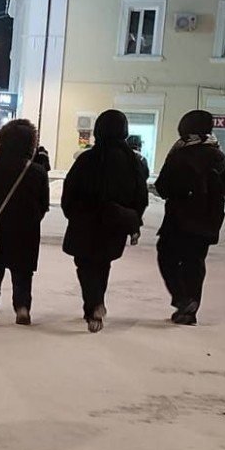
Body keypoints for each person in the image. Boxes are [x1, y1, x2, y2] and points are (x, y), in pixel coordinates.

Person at [61, 110, 149, 333]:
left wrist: (73, 213)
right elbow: (141, 196)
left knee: (86, 264)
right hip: (116, 223)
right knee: (102, 263)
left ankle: (94, 306)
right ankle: (94, 305)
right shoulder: (133, 162)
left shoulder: (88, 159)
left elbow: (69, 191)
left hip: (86, 221)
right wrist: (132, 219)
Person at [155, 110, 225, 326]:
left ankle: (182, 299)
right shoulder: (219, 157)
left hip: (178, 219)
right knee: (195, 262)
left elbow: (162, 187)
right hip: (207, 221)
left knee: (167, 257)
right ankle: (190, 307)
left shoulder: (178, 154)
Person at [0, 119, 50, 325]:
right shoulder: (37, 171)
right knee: (23, 271)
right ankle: (22, 307)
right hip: (27, 228)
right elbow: (44, 203)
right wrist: (33, 218)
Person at [127, 135, 151, 245]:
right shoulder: (142, 159)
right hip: (141, 193)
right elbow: (146, 174)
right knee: (136, 214)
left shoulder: (124, 156)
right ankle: (134, 231)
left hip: (127, 191)